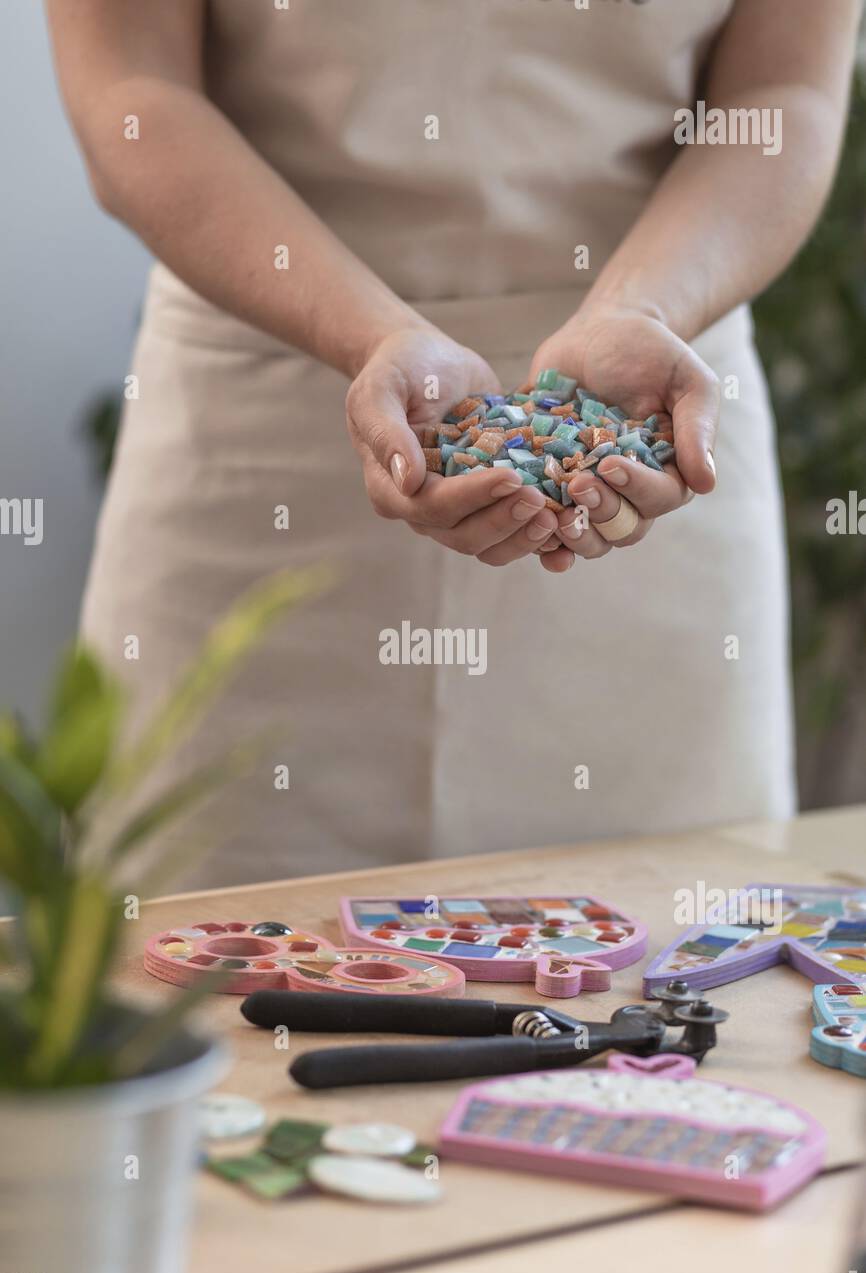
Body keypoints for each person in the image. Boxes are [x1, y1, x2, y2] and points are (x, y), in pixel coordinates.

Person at [46, 0, 862, 888]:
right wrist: (371, 336)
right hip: (265, 416)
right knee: (212, 964)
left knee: (667, 962)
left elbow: (783, 93)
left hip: (647, 401)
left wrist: (643, 309)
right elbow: (132, 89)